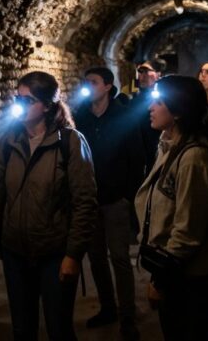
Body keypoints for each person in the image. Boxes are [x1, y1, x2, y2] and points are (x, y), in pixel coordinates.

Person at [0, 71, 98, 341]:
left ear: (47, 106)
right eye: (18, 98)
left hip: (54, 253)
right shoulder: (9, 142)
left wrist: (73, 255)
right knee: (22, 329)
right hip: (15, 253)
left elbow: (85, 202)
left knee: (59, 327)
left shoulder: (69, 142)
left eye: (28, 100)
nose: (19, 105)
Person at [134, 75, 208, 341]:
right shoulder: (168, 147)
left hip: (191, 279)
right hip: (176, 273)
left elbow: (188, 231)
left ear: (176, 110)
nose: (151, 108)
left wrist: (160, 281)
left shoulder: (193, 158)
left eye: (158, 102)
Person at [73, 67, 143, 340]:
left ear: (107, 86)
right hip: (90, 201)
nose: (88, 86)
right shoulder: (81, 118)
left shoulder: (124, 116)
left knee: (120, 258)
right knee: (96, 259)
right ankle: (107, 308)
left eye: (92, 82)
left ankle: (128, 316)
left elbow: (137, 159)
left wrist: (128, 196)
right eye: (86, 81)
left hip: (116, 201)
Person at [131, 59, 166, 178]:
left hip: (156, 153)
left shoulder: (165, 99)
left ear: (158, 74)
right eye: (140, 72)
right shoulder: (135, 101)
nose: (142, 76)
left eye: (146, 71)